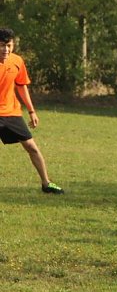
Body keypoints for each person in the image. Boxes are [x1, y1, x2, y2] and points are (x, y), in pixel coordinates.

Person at [0, 28, 64, 194]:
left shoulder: (17, 61)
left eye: (8, 45)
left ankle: (46, 183)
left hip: (12, 113)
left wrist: (31, 111)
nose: (5, 49)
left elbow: (21, 86)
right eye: (1, 46)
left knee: (32, 148)